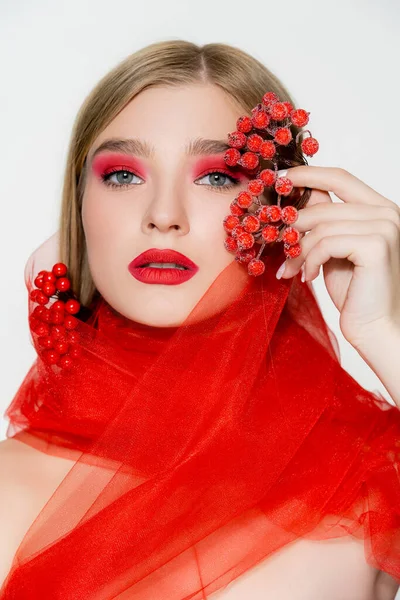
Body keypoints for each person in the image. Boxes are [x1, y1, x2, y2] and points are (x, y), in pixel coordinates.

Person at [0, 39, 399, 599]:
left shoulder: (369, 477)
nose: (163, 216)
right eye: (122, 176)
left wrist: (387, 336)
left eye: (216, 177)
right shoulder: (7, 491)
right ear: (80, 203)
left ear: (285, 207)